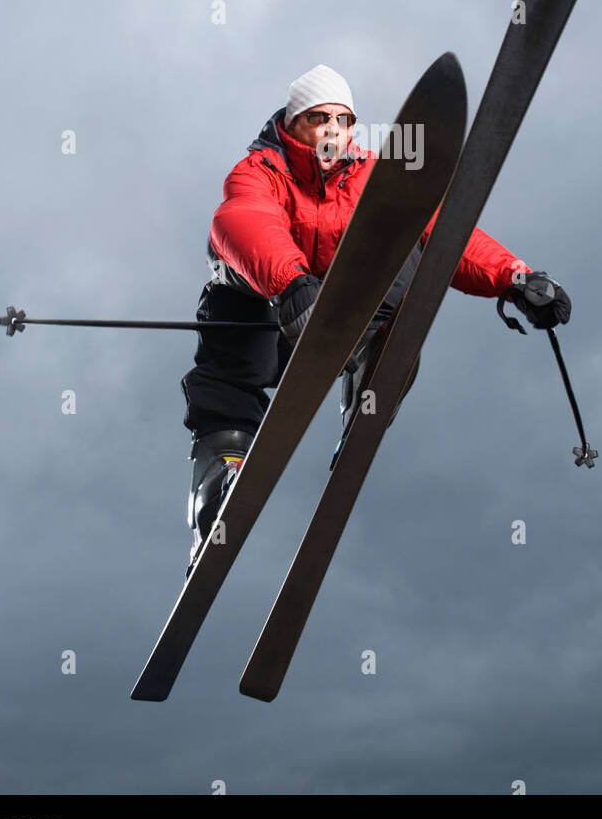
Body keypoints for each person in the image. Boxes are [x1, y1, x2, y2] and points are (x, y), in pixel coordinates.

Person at [180, 63, 570, 574]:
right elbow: (243, 219)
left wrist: (516, 280)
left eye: (343, 121)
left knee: (405, 236)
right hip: (275, 314)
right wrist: (291, 282)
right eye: (319, 118)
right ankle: (220, 477)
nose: (332, 132)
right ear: (292, 123)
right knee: (231, 305)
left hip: (346, 320)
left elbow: (451, 233)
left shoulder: (373, 176)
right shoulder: (260, 169)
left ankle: (370, 375)